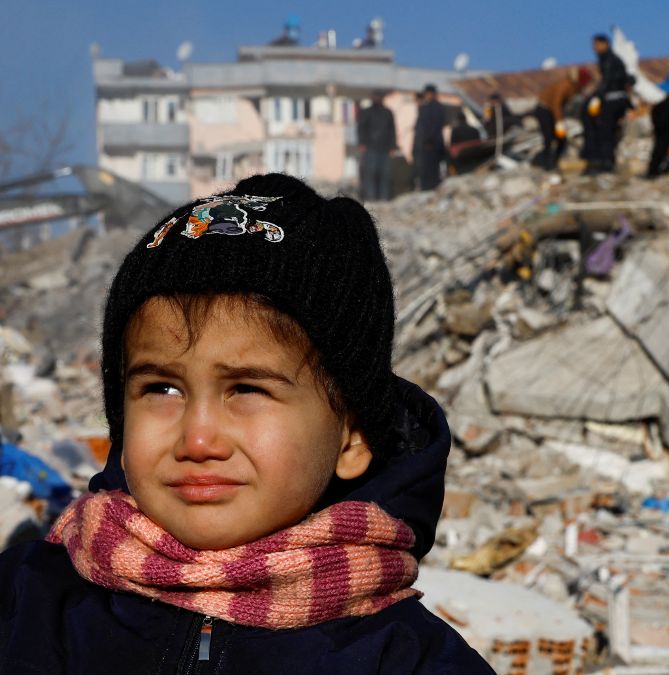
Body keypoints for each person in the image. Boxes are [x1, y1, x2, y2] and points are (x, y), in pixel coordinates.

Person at [0, 174, 495, 674]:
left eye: (248, 389)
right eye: (161, 389)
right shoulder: (26, 604)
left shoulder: (409, 659)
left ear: (352, 437)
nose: (197, 439)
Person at [582, 33, 630, 174]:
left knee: (605, 131)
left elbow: (609, 81)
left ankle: (605, 162)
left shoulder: (609, 60)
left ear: (605, 44)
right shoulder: (606, 59)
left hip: (613, 99)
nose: (594, 48)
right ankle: (601, 159)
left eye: (596, 45)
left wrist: (596, 96)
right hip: (613, 98)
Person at [533, 67, 592, 170]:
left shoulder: (574, 87)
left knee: (561, 140)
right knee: (549, 138)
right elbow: (556, 104)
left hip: (551, 112)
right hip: (544, 110)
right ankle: (546, 164)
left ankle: (553, 162)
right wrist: (559, 122)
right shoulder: (565, 85)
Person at [357, 90, 398, 201]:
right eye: (375, 96)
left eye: (379, 96)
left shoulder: (387, 113)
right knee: (370, 174)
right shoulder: (366, 112)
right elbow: (361, 129)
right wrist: (362, 143)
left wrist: (393, 147)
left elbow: (392, 130)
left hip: (384, 149)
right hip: (370, 148)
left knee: (385, 174)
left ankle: (384, 198)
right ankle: (371, 198)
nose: (377, 99)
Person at [413, 84, 447, 191]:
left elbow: (435, 125)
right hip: (426, 144)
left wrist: (429, 141)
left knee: (431, 169)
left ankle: (430, 188)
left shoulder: (435, 107)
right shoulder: (426, 107)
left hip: (432, 145)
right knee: (426, 169)